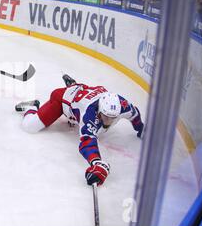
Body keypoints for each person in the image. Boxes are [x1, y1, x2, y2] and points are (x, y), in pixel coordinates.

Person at [15, 74, 145, 187]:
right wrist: (96, 162)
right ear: (99, 110)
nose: (108, 122)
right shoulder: (89, 114)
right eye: (105, 117)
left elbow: (135, 115)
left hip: (84, 92)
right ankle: (31, 107)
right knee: (29, 127)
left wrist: (141, 128)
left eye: (112, 118)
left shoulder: (123, 106)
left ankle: (73, 86)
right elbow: (87, 142)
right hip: (61, 100)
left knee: (96, 127)